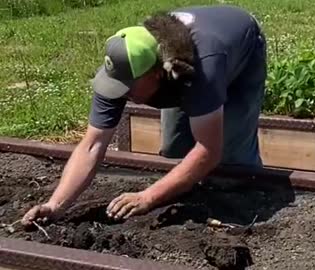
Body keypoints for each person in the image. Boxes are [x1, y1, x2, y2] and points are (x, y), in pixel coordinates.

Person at [21, 4, 267, 226]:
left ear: (156, 73)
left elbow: (209, 149)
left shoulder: (204, 68)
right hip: (183, 66)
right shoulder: (123, 66)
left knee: (231, 158)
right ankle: (192, 180)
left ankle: (246, 203)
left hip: (240, 48)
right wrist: (55, 205)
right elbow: (92, 144)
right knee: (174, 146)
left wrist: (148, 197)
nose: (121, 94)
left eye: (129, 88)